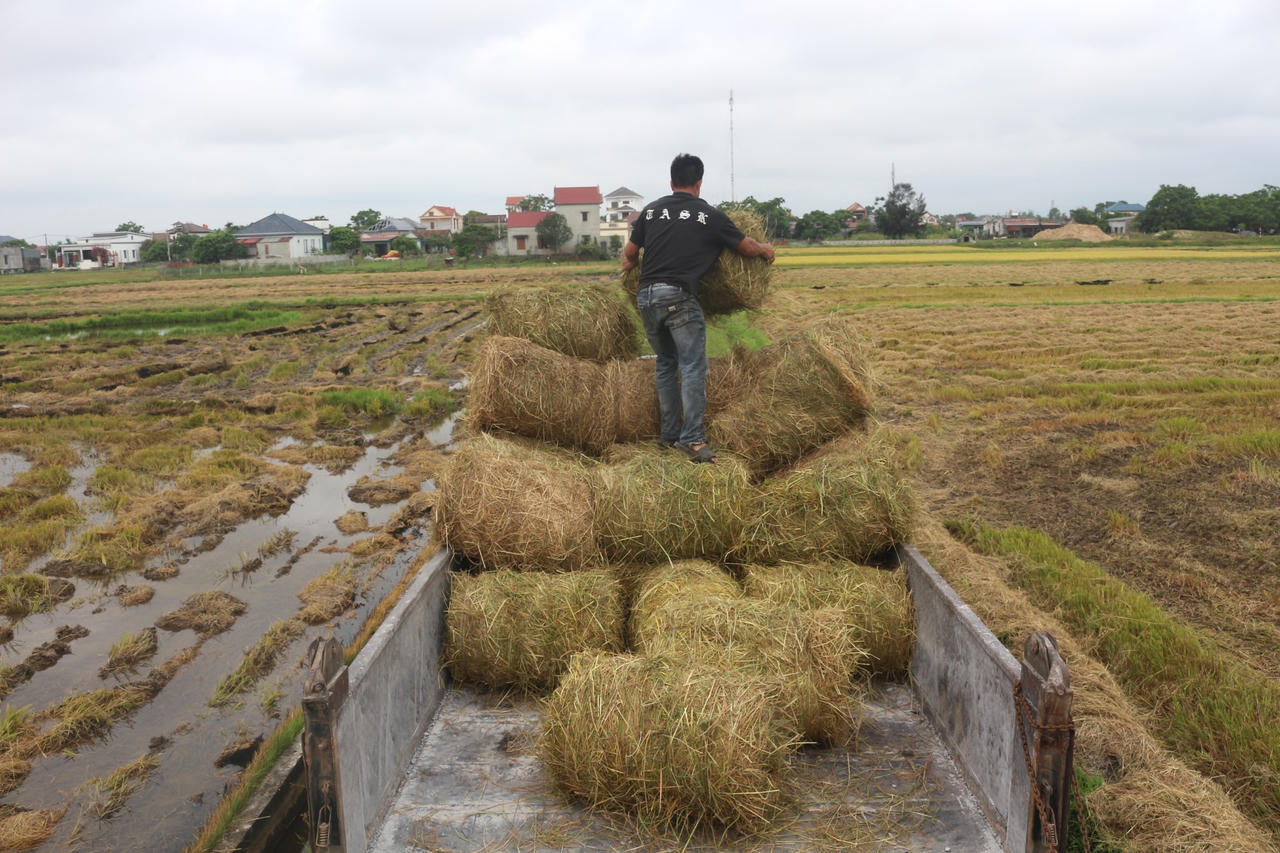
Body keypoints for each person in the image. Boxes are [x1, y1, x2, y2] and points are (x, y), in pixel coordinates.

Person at [621, 153, 775, 463]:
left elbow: (629, 253)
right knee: (692, 367)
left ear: (671, 182)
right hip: (679, 299)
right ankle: (692, 439)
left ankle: (668, 435)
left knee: (666, 363)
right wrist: (764, 249)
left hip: (647, 297)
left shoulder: (650, 211)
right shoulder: (710, 216)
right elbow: (745, 247)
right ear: (699, 183)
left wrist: (630, 264)